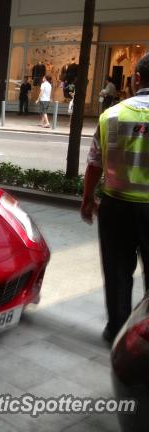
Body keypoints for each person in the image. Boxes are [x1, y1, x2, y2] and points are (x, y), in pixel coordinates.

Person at [81, 52, 149, 344]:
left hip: (115, 207)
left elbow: (95, 164)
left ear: (136, 79)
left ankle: (117, 331)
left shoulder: (112, 115)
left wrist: (87, 200)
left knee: (117, 272)